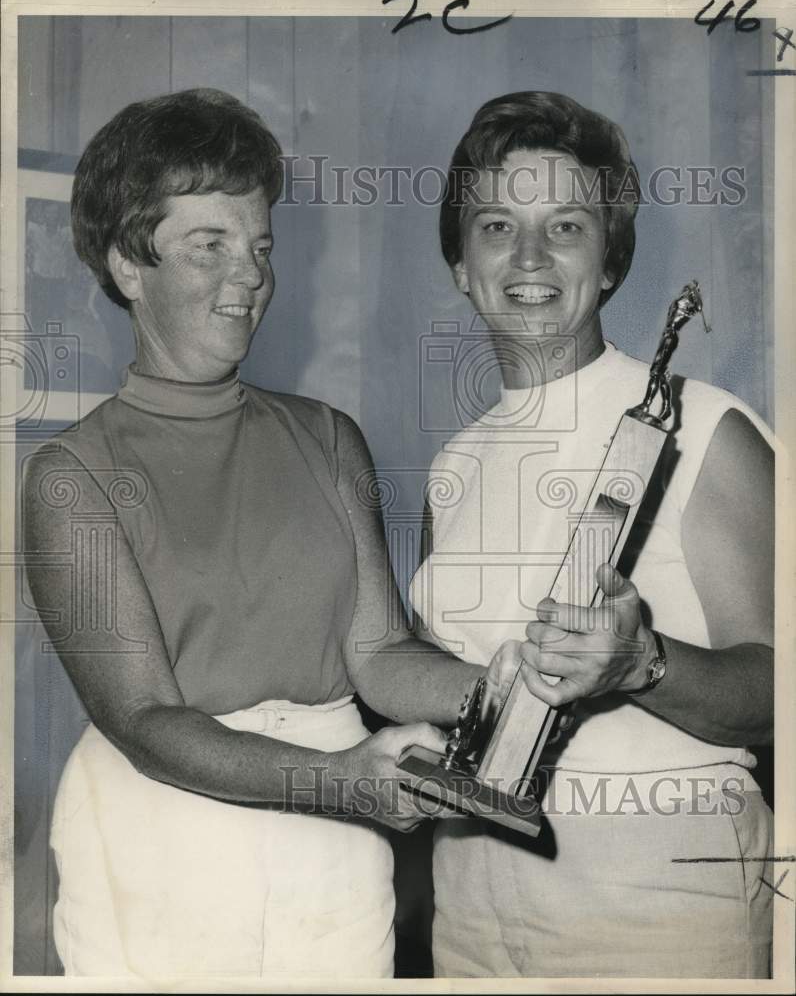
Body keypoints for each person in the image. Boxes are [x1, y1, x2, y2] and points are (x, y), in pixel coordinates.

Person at [22, 88, 515, 980]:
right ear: (127, 264)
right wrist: (339, 781)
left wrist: (506, 686)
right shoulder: (72, 475)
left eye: (259, 247)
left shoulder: (327, 438)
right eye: (209, 245)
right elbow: (143, 720)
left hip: (336, 842)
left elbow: (377, 654)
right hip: (159, 840)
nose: (249, 275)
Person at [408, 91, 774, 978]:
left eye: (566, 226)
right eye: (497, 226)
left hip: (659, 903)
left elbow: (782, 691)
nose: (529, 256)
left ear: (609, 259)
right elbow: (435, 689)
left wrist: (642, 664)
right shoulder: (452, 467)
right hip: (470, 911)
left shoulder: (705, 428)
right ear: (460, 262)